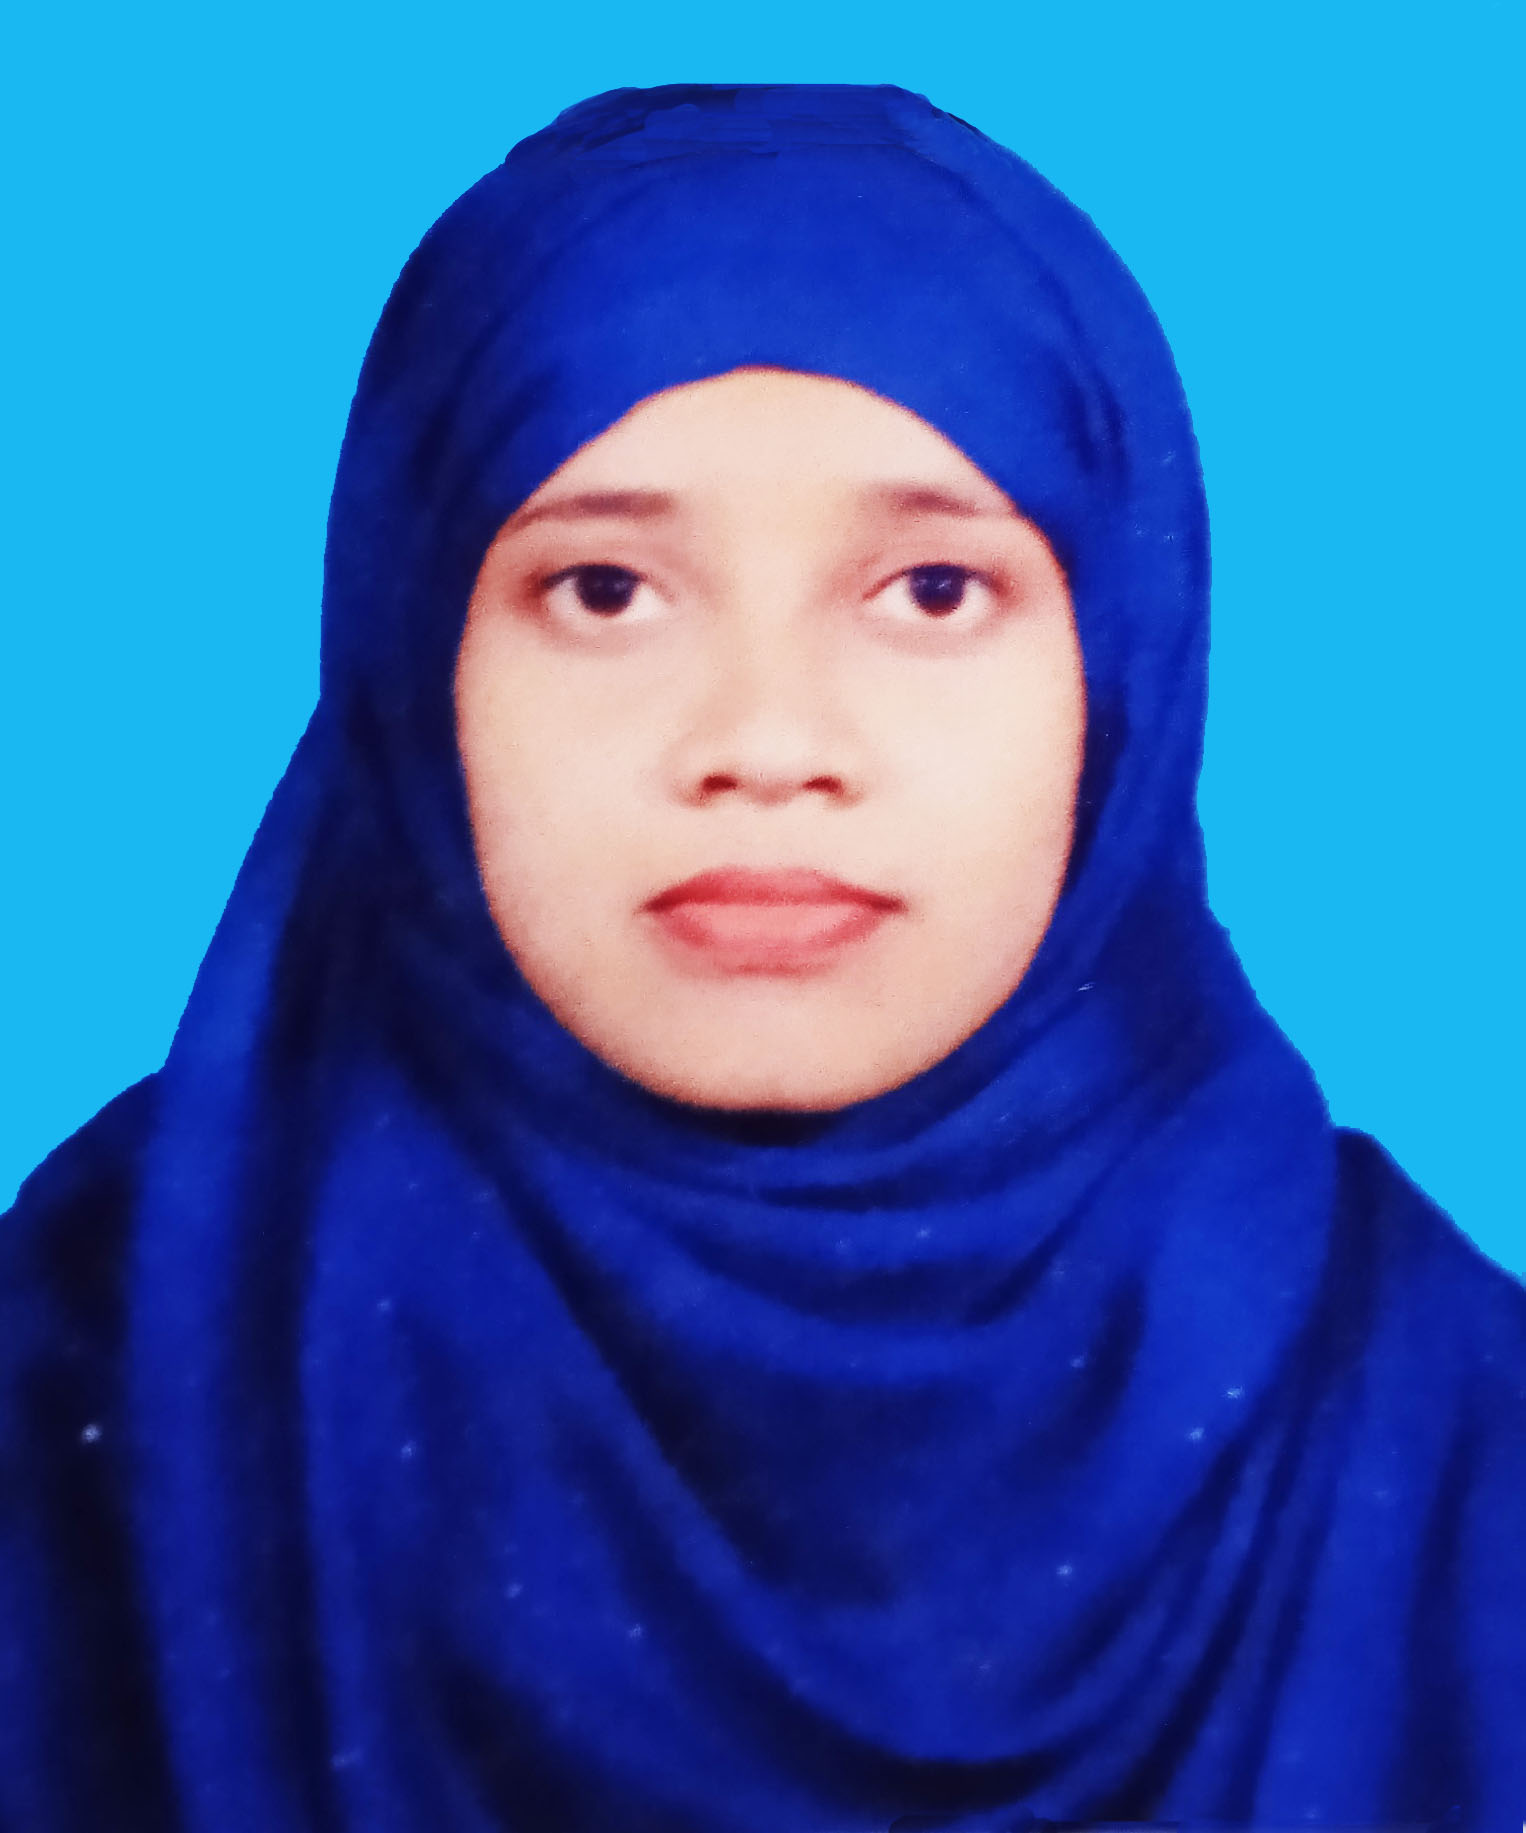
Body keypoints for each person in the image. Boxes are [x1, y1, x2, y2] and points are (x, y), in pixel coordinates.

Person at [2, 82, 1522, 1833]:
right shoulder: (94, 1369)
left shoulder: (1441, 1426)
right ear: (410, 654)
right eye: (604, 591)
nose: (767, 740)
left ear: (1120, 671)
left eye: (931, 591)